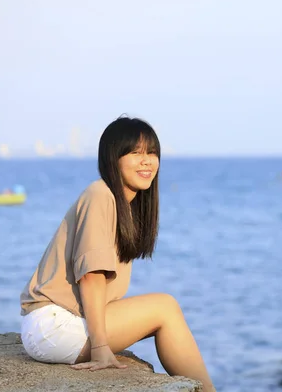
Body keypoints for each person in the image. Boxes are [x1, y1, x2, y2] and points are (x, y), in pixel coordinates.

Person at [20, 116, 215, 391]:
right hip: (54, 326)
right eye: (135, 153)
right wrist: (100, 347)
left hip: (61, 323)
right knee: (165, 308)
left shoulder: (125, 204)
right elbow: (91, 276)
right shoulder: (101, 195)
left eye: (152, 153)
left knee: (164, 311)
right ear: (114, 158)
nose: (147, 161)